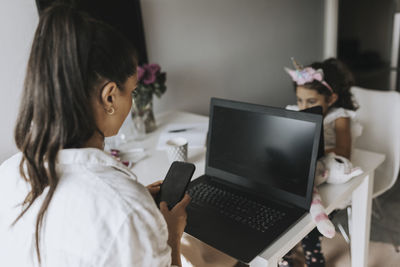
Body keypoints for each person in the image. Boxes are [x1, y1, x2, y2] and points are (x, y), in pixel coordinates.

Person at [0, 4, 189, 267]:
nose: (132, 102)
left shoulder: (7, 174)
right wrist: (170, 235)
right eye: (132, 92)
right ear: (109, 96)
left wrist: (131, 207)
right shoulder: (127, 210)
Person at [280, 58, 360, 267]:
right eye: (300, 101)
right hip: (302, 174)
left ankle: (314, 258)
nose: (303, 107)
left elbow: (344, 151)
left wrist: (313, 148)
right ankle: (284, 255)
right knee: (284, 213)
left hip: (330, 176)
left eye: (311, 102)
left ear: (331, 98)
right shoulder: (296, 112)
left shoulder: (340, 117)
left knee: (309, 225)